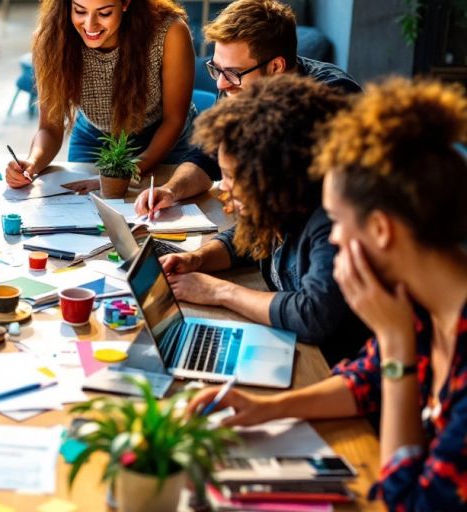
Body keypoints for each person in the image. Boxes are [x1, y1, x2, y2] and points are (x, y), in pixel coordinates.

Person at [188, 78, 467, 510]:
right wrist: (268, 409)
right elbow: (366, 381)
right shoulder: (425, 304)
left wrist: (395, 346)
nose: (331, 237)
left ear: (380, 230)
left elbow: (409, 503)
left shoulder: (412, 324)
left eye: (336, 220)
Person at [161, 75, 368, 364]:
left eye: (231, 176)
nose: (223, 186)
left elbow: (312, 315)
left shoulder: (332, 223)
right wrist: (197, 259)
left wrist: (219, 291)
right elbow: (246, 239)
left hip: (328, 368)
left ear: (273, 175)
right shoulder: (281, 205)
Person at [136, 0, 360, 217]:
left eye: (233, 72)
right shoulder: (235, 88)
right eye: (217, 69)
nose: (221, 84)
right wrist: (171, 191)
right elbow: (208, 154)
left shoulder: (333, 99)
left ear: (275, 67)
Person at [4, 0, 196, 196]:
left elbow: (174, 120)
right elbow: (49, 128)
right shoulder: (51, 39)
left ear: (126, 3)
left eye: (104, 13)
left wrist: (118, 175)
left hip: (163, 141)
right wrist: (32, 162)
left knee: (155, 215)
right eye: (80, 11)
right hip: (94, 138)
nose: (90, 25)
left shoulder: (169, 32)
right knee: (79, 212)